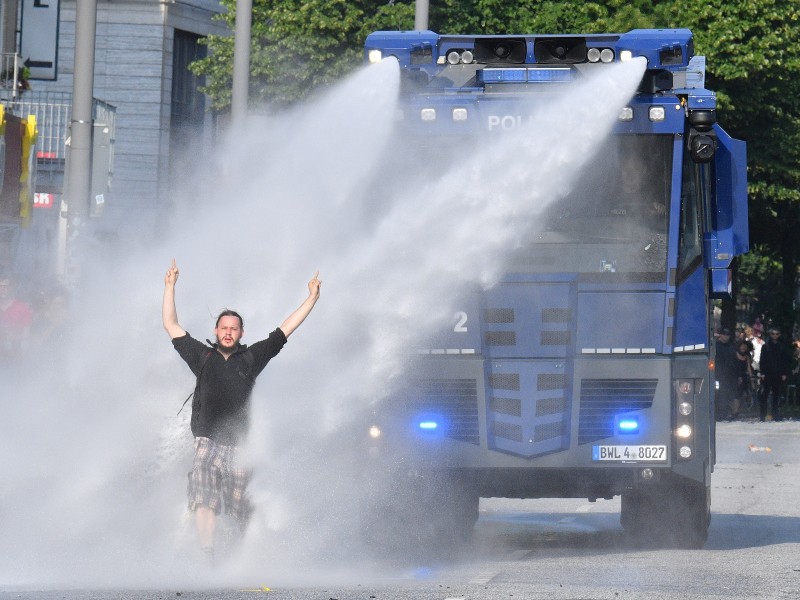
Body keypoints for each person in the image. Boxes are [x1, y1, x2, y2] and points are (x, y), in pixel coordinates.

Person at [162, 260, 321, 560]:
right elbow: (171, 325)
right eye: (224, 327)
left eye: (234, 328)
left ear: (241, 333)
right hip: (206, 441)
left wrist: (311, 299)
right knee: (204, 495)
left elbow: (285, 330)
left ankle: (236, 557)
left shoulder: (251, 358)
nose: (228, 332)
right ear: (216, 330)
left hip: (240, 446)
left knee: (238, 508)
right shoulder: (203, 356)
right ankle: (207, 554)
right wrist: (169, 287)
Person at [759, 326, 791, 421]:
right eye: (773, 333)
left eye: (777, 334)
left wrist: (784, 373)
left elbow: (784, 361)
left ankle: (775, 414)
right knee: (765, 394)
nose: (775, 336)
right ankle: (762, 415)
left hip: (778, 373)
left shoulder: (781, 346)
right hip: (768, 373)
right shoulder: (766, 346)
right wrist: (762, 372)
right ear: (770, 334)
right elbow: (762, 360)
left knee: (776, 395)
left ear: (779, 335)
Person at [0, 274, 33, 364]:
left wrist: (12, 337)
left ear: (10, 288)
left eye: (5, 286)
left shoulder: (22, 308)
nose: (2, 289)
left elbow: (27, 336)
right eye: (0, 286)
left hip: (15, 359)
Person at [714, 328, 738, 421]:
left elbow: (734, 361)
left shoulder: (731, 347)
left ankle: (725, 413)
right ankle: (720, 414)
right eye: (724, 335)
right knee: (719, 395)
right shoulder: (716, 346)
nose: (726, 337)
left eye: (728, 335)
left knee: (728, 395)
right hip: (719, 375)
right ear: (721, 335)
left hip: (730, 375)